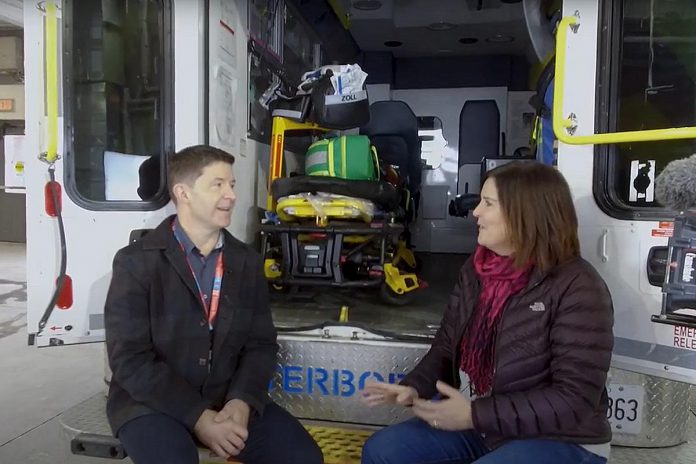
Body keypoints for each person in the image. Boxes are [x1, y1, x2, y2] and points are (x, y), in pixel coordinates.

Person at [361, 161, 614, 464]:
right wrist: (413, 387)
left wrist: (474, 414)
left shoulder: (578, 286)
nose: (475, 212)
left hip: (563, 438)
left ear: (526, 213)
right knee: (382, 451)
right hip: (485, 426)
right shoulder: (477, 270)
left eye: (488, 203)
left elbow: (574, 399)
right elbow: (446, 345)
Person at [105, 145, 323, 464]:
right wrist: (198, 417)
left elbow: (261, 344)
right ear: (184, 193)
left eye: (232, 185)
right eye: (217, 184)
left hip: (226, 399)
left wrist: (242, 401)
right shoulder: (137, 263)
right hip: (151, 403)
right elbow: (130, 359)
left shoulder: (246, 261)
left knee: (303, 458)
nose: (231, 195)